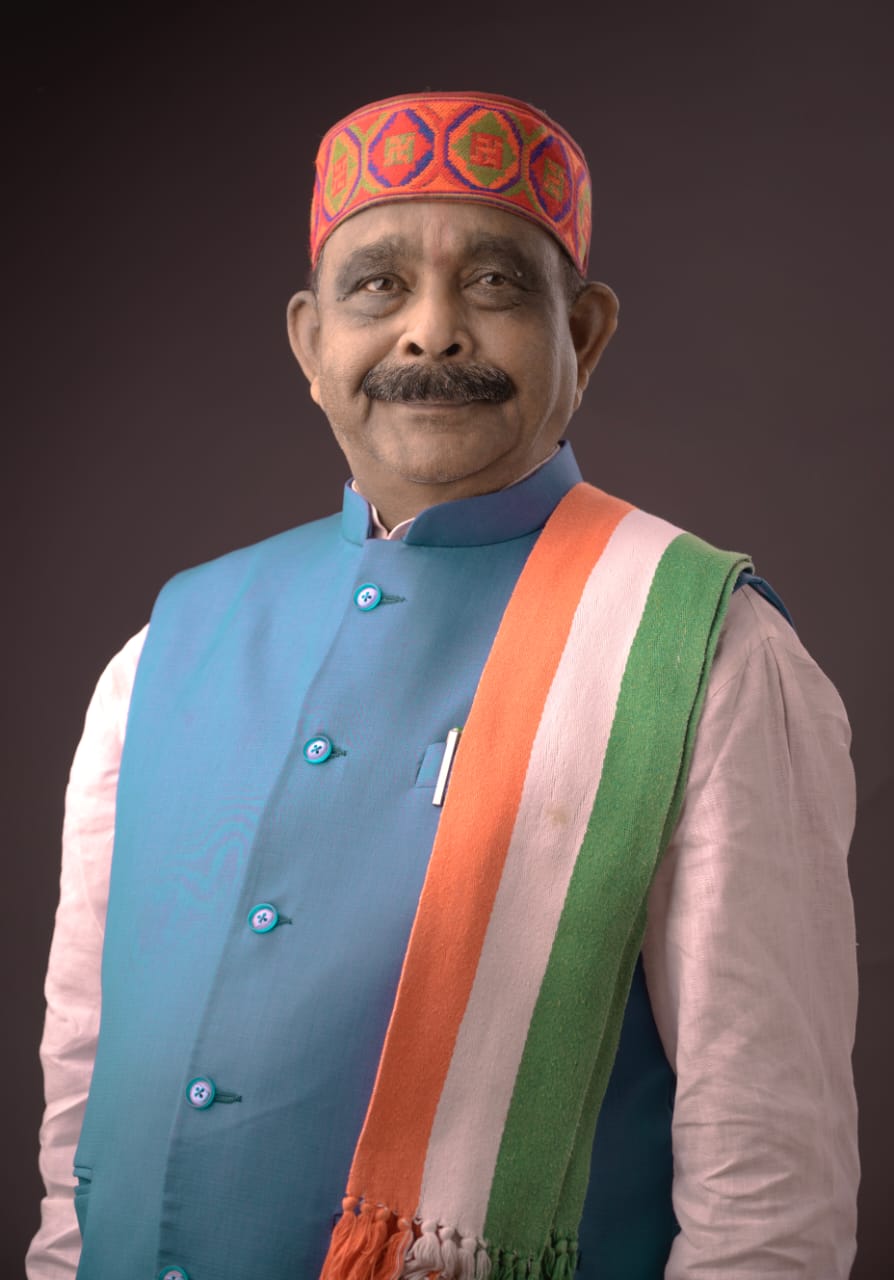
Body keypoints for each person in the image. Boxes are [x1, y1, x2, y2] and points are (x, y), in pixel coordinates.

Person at [28, 91, 859, 1280]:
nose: (431, 333)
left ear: (587, 334)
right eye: (378, 286)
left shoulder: (701, 649)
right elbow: (82, 1096)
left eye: (495, 284)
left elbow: (766, 1182)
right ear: (311, 343)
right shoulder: (167, 645)